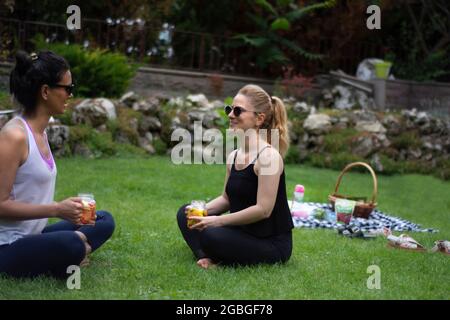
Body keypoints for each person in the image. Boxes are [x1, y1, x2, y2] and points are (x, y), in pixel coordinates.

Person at [0, 51, 115, 278]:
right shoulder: (14, 137)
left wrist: (68, 209)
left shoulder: (40, 133)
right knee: (71, 243)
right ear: (45, 91)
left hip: (35, 233)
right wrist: (56, 209)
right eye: (67, 89)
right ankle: (72, 252)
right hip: (7, 245)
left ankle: (69, 251)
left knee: (102, 219)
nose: (70, 95)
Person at [177, 84, 294, 269]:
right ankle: (208, 257)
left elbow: (264, 209)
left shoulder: (269, 157)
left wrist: (216, 221)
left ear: (259, 119)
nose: (231, 115)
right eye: (229, 109)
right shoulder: (234, 156)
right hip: (241, 232)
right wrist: (202, 212)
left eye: (238, 110)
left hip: (270, 243)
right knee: (186, 214)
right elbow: (226, 199)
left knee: (211, 234)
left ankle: (216, 257)